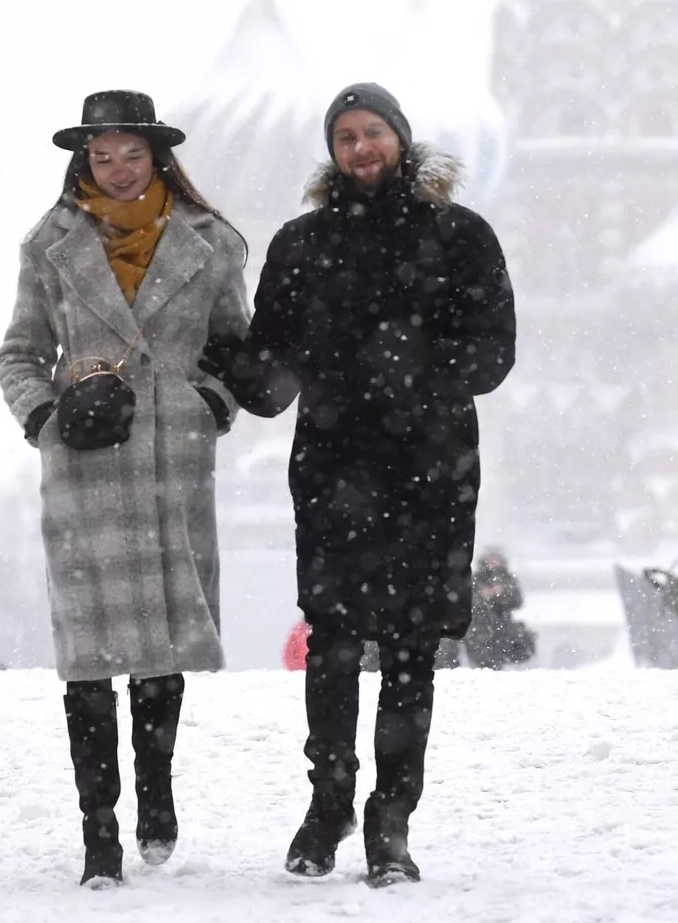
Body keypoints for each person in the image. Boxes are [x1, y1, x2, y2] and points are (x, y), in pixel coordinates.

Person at [203, 82, 515, 886]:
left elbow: (493, 352)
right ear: (332, 151)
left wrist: (419, 363)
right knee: (332, 645)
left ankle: (392, 818)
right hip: (336, 469)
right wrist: (234, 363)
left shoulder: (458, 237)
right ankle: (330, 800)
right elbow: (274, 373)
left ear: (400, 140)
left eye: (373, 132)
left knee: (411, 650)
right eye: (345, 136)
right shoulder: (304, 245)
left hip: (429, 473)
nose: (361, 148)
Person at [0, 90, 254, 889]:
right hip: (85, 462)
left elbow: (234, 349)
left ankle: (158, 785)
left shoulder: (210, 244)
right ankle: (98, 830)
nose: (114, 169)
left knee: (164, 640)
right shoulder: (49, 246)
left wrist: (210, 403)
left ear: (157, 158)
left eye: (129, 155)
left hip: (172, 459)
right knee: (88, 653)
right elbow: (17, 353)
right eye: (100, 156)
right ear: (84, 160)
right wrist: (49, 415)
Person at [463, 548, 535, 669]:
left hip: (502, 624)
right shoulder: (475, 579)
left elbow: (517, 600)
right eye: (490, 559)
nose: (493, 562)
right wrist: (481, 596)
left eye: (496, 559)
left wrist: (501, 593)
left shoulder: (508, 579)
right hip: (478, 626)